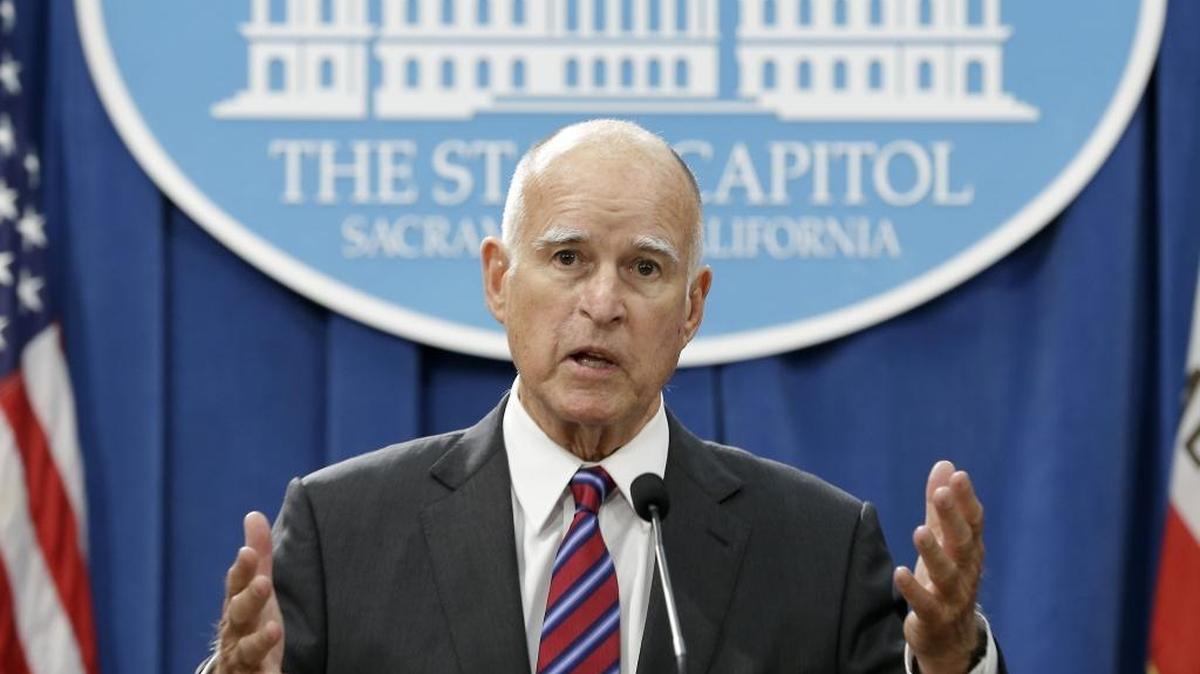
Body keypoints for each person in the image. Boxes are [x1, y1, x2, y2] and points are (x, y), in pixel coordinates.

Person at [203, 120, 1003, 673]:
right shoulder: (344, 532)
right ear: (498, 280)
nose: (603, 303)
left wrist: (947, 663)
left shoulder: (819, 549)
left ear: (692, 308)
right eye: (568, 259)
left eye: (645, 269)